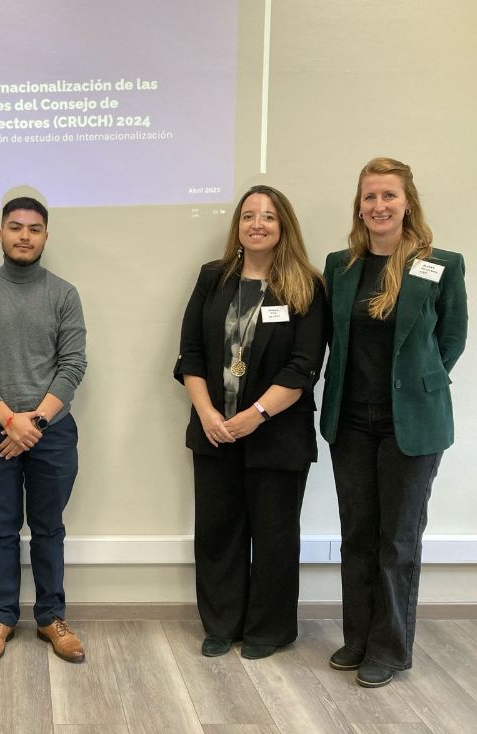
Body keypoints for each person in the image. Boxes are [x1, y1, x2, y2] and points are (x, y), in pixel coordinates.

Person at [321, 158, 467, 688]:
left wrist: (415, 387)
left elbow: (451, 340)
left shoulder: (441, 264)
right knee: (357, 534)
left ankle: (388, 648)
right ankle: (358, 638)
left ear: (407, 203)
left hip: (412, 423)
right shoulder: (340, 267)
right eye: (370, 197)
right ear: (359, 207)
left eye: (388, 195)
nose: (379, 205)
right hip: (351, 420)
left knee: (398, 539)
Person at [174, 185, 325, 660]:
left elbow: (303, 367)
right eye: (248, 216)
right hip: (215, 431)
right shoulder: (213, 278)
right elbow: (190, 353)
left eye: (268, 216)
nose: (257, 224)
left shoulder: (307, 285)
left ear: (284, 227)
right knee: (218, 533)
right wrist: (208, 413)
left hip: (277, 434)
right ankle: (222, 625)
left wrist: (255, 415)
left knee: (275, 537)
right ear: (237, 226)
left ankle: (268, 630)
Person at [0, 196, 87, 664]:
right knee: (2, 528)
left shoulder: (64, 294)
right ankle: (1, 618)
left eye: (33, 229)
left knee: (49, 528)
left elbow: (73, 366)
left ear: (46, 236)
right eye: (15, 227)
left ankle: (51, 617)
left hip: (54, 431)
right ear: (0, 233)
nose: (24, 236)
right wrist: (11, 421)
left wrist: (35, 423)